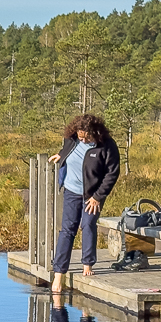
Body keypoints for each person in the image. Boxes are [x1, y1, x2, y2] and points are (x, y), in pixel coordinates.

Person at [46, 115, 120, 293]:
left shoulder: (107, 145)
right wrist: (61, 155)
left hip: (92, 195)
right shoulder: (72, 138)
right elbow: (68, 148)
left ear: (95, 133)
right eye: (80, 136)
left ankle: (87, 264)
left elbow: (112, 173)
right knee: (67, 229)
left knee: (88, 224)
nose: (83, 140)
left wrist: (98, 196)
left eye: (86, 137)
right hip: (71, 191)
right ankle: (59, 273)